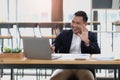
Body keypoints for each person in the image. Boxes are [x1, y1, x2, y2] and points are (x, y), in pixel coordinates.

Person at [50, 11, 100, 80]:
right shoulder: (64, 33)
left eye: (78, 23)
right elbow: (54, 46)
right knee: (54, 78)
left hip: (84, 68)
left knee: (87, 78)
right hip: (66, 66)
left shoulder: (91, 35)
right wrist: (52, 49)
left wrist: (87, 42)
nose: (74, 25)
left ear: (85, 24)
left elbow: (97, 52)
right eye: (73, 22)